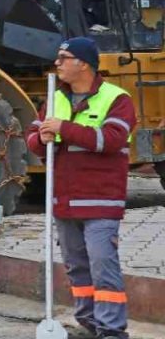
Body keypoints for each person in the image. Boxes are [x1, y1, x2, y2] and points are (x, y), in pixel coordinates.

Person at [27, 37, 135, 339]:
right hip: (64, 200)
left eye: (64, 57)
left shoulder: (117, 99)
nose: (57, 63)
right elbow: (33, 138)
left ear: (84, 63)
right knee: (77, 268)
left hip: (100, 200)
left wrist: (63, 129)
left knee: (103, 266)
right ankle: (88, 322)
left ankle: (112, 330)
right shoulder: (54, 98)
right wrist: (41, 140)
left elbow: (110, 139)